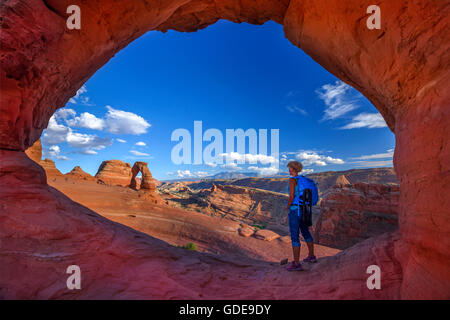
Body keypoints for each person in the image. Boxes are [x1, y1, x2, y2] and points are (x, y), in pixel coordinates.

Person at [285, 161, 317, 271]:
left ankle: (297, 264)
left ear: (293, 169)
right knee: (305, 232)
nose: (289, 170)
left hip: (295, 210)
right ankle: (311, 256)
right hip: (305, 210)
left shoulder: (292, 180)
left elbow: (292, 196)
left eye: (290, 168)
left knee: (295, 236)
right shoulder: (303, 179)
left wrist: (287, 208)